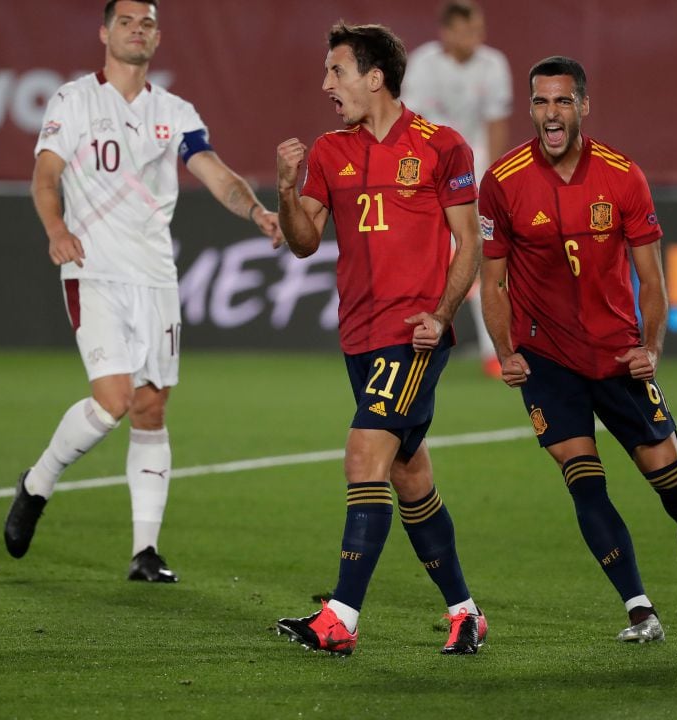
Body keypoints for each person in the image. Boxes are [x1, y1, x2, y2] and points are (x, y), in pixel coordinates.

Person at [4, 0, 280, 582]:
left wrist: (256, 212)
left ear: (158, 37)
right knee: (113, 402)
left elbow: (212, 170)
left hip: (155, 278)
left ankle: (145, 551)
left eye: (147, 23)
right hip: (95, 270)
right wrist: (56, 229)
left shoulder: (173, 111)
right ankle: (37, 483)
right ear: (105, 32)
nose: (137, 30)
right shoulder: (74, 100)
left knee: (151, 408)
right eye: (126, 21)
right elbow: (45, 175)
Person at [478, 56, 677, 643]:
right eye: (542, 102)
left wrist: (650, 347)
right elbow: (492, 281)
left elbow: (652, 279)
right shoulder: (502, 180)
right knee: (582, 477)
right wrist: (507, 349)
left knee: (668, 475)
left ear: (583, 107)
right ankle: (639, 607)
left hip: (617, 355)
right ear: (531, 108)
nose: (552, 114)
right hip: (547, 359)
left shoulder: (623, 176)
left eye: (563, 101)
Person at [272, 22, 486, 656]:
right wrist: (286, 189)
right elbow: (305, 241)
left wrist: (443, 315)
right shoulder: (329, 151)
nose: (325, 84)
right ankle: (465, 613)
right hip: (359, 337)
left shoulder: (443, 147)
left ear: (375, 76)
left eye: (336, 71)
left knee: (365, 453)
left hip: (413, 337)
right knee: (408, 472)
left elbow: (470, 243)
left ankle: (339, 618)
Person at [402, 0, 512, 378]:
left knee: (483, 256)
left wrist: (492, 178)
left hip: (475, 167)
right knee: (429, 261)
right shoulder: (422, 65)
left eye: (478, 30)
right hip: (429, 169)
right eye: (466, 31)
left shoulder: (493, 64)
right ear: (446, 32)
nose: (475, 38)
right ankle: (414, 340)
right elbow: (412, 124)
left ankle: (494, 350)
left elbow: (496, 123)